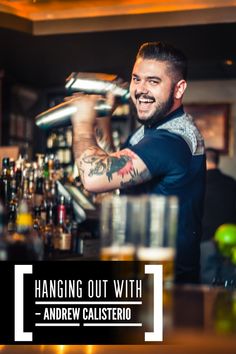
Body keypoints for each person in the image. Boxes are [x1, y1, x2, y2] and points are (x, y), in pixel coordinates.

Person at [71, 41, 206, 284]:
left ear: (178, 89)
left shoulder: (170, 141)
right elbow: (114, 165)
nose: (140, 90)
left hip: (166, 284)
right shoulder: (149, 131)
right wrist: (103, 119)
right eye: (136, 79)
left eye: (153, 81)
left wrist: (81, 123)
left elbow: (94, 176)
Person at [200, 147, 236, 284]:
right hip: (230, 242)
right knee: (229, 285)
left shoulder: (199, 183)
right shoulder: (232, 183)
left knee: (207, 286)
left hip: (205, 242)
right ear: (217, 161)